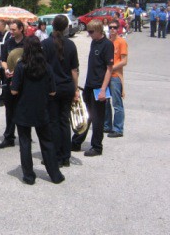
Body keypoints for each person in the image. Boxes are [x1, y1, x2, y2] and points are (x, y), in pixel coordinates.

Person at [11, 36, 65, 185]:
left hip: (23, 109)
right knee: (47, 142)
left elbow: (14, 91)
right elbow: (53, 92)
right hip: (42, 108)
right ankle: (55, 174)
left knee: (25, 142)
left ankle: (28, 176)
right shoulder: (47, 67)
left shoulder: (21, 66)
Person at [72, 19, 114, 156]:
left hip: (98, 87)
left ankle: (97, 146)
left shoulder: (107, 45)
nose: (89, 34)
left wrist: (103, 89)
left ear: (98, 31)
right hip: (89, 85)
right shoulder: (93, 42)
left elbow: (109, 69)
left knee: (97, 118)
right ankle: (76, 142)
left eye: (91, 32)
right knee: (85, 115)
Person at [42, 15, 79, 167]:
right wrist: (76, 90)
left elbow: (42, 68)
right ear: (65, 28)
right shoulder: (71, 45)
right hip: (67, 87)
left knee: (53, 122)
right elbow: (74, 71)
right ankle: (66, 156)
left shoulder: (45, 44)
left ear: (52, 25)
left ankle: (55, 156)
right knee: (65, 121)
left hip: (52, 87)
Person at [0, 20, 25, 149]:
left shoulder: (28, 43)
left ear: (21, 29)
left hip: (24, 82)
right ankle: (9, 137)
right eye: (10, 30)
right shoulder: (8, 43)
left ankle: (25, 136)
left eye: (14, 30)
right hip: (9, 80)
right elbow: (3, 60)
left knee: (23, 109)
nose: (11, 32)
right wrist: (6, 70)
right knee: (10, 109)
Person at [104, 20, 128, 137]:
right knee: (105, 101)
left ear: (118, 29)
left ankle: (118, 128)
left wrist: (112, 68)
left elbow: (124, 61)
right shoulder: (107, 42)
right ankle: (107, 125)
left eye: (114, 27)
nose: (112, 29)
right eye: (110, 27)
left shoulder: (121, 42)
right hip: (106, 76)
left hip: (115, 76)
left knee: (117, 103)